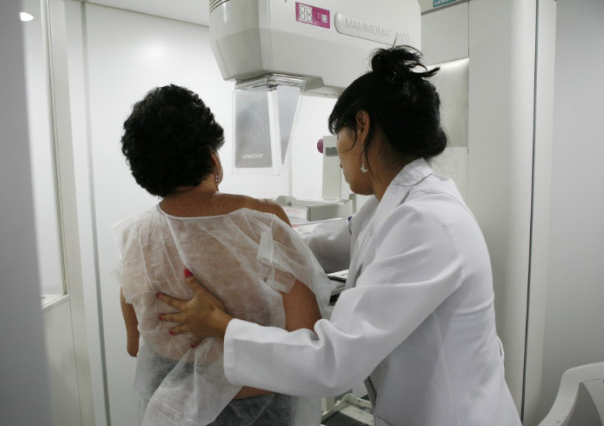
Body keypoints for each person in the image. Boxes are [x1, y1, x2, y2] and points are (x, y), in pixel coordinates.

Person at [156, 46, 523, 426]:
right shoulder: (394, 207)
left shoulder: (427, 223)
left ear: (361, 128)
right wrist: (253, 236)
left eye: (338, 135)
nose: (339, 155)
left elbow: (331, 363)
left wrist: (220, 324)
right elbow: (333, 241)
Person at [115, 84, 330, 426]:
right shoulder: (263, 222)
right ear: (211, 157)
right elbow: (309, 340)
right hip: (259, 412)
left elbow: (134, 344)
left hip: (168, 412)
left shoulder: (134, 236)